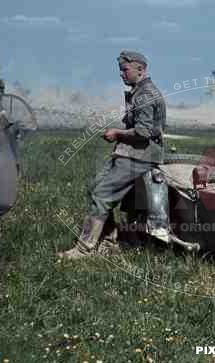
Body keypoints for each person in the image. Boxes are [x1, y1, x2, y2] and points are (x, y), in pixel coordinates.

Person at [57, 50, 169, 260]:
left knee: (102, 194)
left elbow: (143, 133)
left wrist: (117, 133)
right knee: (94, 188)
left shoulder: (145, 95)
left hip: (140, 156)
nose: (121, 74)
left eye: (125, 70)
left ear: (140, 69)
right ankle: (108, 243)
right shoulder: (140, 91)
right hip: (130, 153)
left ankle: (84, 249)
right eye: (120, 70)